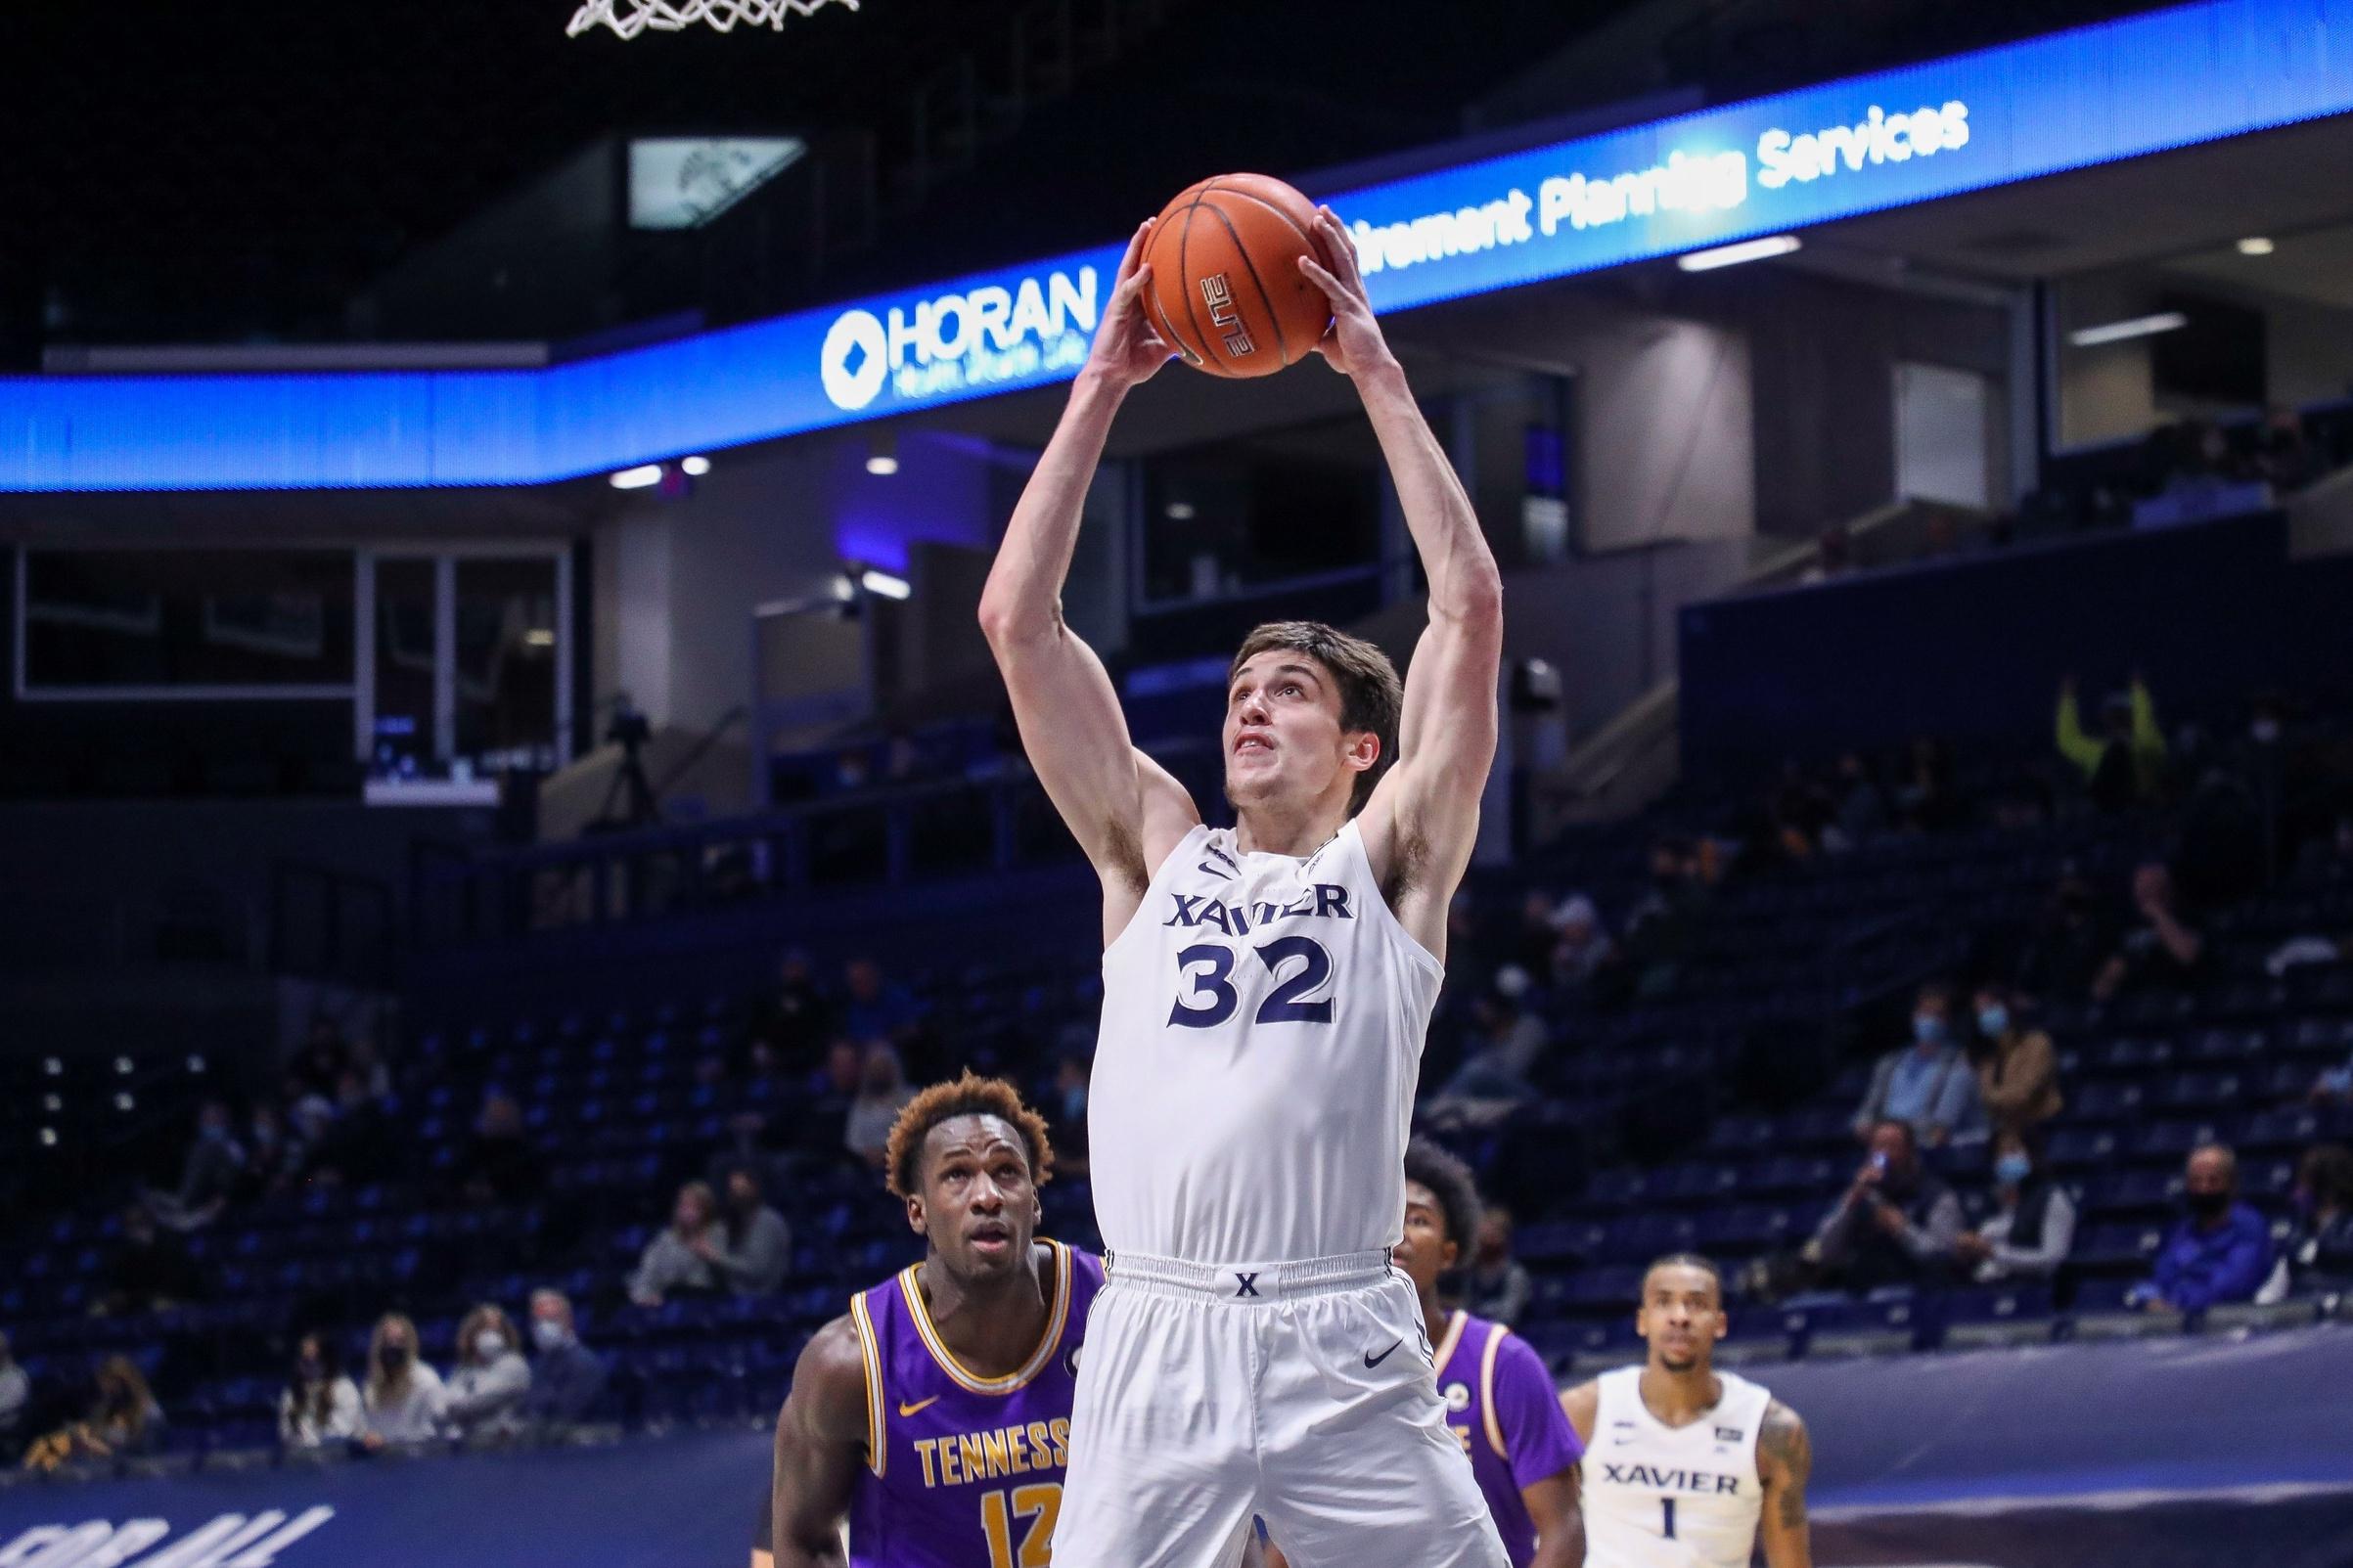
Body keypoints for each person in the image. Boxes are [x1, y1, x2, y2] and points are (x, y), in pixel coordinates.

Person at [978, 205, 1508, 1568]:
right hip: (1159, 1326)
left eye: (1291, 691)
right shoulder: (1152, 844)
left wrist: (1372, 368)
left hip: (1343, 1330)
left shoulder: (1390, 862)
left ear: (1363, 747)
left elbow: (1468, 611)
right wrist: (1101, 383)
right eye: (1237, 691)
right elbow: (1017, 625)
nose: (1251, 710)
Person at [764, 1073, 1103, 1568]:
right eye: (957, 1175)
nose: (987, 1195)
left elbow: (1201, 1490)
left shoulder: (1115, 1313)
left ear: (1034, 1199)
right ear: (917, 1212)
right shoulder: (852, 1365)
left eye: (1007, 1171)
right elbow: (804, 1540)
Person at [1341, 1142, 1582, 1568]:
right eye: (1387, 1218)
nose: (1399, 1233)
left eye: (1418, 1219)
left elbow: (1563, 1532)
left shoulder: (1502, 1362)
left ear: (1450, 1253)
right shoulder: (1332, 1364)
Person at [1560, 1256, 1813, 1568]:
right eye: (1664, 1302)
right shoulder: (1583, 1412)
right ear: (1642, 1320)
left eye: (1696, 1304)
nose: (1679, 1317)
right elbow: (1551, 1535)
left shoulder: (1772, 1429)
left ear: (1720, 1323)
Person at [1805, 1121, 1963, 1293]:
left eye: (1892, 1147)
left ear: (1909, 1153)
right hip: (1862, 1294)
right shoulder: (1862, 1194)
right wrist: (1848, 1206)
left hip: (1918, 1292)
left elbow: (1944, 1257)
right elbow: (1823, 1251)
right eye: (1878, 1147)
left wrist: (1903, 1229)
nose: (1883, 1156)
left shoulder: (1938, 1195)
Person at [2129, 1143, 2272, 1314]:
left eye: (2213, 1180)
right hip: (2176, 1327)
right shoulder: (2181, 1231)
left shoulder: (2249, 1227)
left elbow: (2232, 1286)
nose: (2203, 1188)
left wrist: (2177, 1304)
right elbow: (2160, 1277)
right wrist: (2150, 1298)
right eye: (2196, 1180)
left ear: (2232, 1185)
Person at [1850, 984, 1981, 1147]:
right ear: (1914, 1016)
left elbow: (1941, 1128)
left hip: (1925, 1149)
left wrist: (1901, 1134)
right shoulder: (1890, 1062)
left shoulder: (1959, 1064)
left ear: (1949, 1021)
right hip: (1887, 1145)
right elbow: (1868, 1111)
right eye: (1925, 1012)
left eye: (1938, 1015)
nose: (1929, 1020)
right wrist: (1865, 1124)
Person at [1953, 1130, 2076, 1284]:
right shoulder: (1990, 1202)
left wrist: (1993, 1253)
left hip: (2027, 1289)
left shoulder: (2051, 1198)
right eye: (1999, 1153)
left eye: (2012, 1150)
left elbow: (2051, 1259)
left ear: (2031, 1154)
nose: (2005, 1158)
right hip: (1984, 1286)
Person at [22, 1356, 164, 1472]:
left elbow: (146, 1452)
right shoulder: (106, 1407)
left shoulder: (150, 1412)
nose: (107, 1391)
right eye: (104, 1386)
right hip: (100, 1469)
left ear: (125, 1383)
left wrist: (104, 1442)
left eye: (112, 1385)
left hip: (137, 1472)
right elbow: (92, 1432)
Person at [2092, 863, 2205, 1002]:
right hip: (2139, 1003)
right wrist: (2106, 983)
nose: (2141, 893)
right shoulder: (2132, 927)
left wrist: (2157, 913)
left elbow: (2188, 955)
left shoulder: (2186, 916)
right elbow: (2113, 971)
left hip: (2180, 997)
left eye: (2148, 887)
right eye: (2138, 887)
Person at [2056, 674, 2164, 814]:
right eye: (2114, 713)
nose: (2118, 718)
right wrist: (2067, 697)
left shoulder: (2147, 745)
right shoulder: (2147, 744)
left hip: (2142, 814)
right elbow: (2068, 740)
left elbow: (2067, 739)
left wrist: (2067, 697)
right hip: (2109, 818)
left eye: (2122, 713)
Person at [1969, 984, 2061, 1141]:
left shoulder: (2037, 1043)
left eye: (1990, 1006)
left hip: (2042, 1127)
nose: (1985, 1014)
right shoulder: (1987, 1058)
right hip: (2006, 1133)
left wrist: (1991, 1097)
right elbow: (1987, 1106)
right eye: (1980, 1011)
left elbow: (2024, 1094)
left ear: (2006, 1007)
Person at [94, 1202, 204, 1317]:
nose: (134, 1231)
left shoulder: (173, 1251)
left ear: (150, 1224)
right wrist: (112, 1302)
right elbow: (122, 1291)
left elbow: (190, 1291)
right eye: (129, 1226)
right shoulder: (124, 1257)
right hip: (138, 1313)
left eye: (140, 1223)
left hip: (178, 1312)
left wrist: (173, 1303)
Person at [629, 1181, 727, 1307]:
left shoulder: (718, 1235)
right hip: (667, 1300)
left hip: (703, 1301)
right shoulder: (665, 1240)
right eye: (683, 1205)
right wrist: (646, 1295)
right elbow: (647, 1273)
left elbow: (727, 1279)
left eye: (694, 1206)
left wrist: (712, 1257)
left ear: (706, 1210)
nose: (687, 1212)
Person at [520, 1289, 608, 1428]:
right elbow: (529, 1408)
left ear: (568, 1320)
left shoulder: (584, 1364)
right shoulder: (538, 1365)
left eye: (551, 1319)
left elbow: (567, 1415)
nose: (544, 1327)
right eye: (538, 1321)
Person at [359, 1312, 447, 1448]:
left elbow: (434, 1431)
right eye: (388, 1342)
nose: (393, 1347)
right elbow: (366, 1427)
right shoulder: (372, 1383)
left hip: (417, 1459)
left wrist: (390, 1441)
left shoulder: (426, 1379)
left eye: (399, 1341)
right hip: (380, 1462)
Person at [445, 1304, 532, 1440]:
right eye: (484, 1330)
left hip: (505, 1442)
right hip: (472, 1442)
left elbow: (480, 1399)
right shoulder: (463, 1368)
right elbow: (448, 1402)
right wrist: (455, 1405)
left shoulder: (514, 1364)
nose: (490, 1336)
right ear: (472, 1334)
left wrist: (458, 1405)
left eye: (496, 1331)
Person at [2278, 1144, 2353, 1296]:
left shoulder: (2349, 1230)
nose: (2297, 1193)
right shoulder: (2300, 1231)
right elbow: (2276, 1287)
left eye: (2304, 1184)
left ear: (2327, 1188)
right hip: (2300, 1313)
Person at [714, 1166, 793, 1299]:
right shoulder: (732, 1222)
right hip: (734, 1296)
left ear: (754, 1188)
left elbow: (756, 1270)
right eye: (733, 1191)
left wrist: (715, 1256)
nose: (737, 1195)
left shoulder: (767, 1220)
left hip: (765, 1296)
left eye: (741, 1190)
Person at [278, 1332, 362, 1449]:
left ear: (326, 1360)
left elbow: (343, 1432)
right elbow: (286, 1435)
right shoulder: (291, 1394)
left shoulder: (344, 1388)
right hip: (303, 1460)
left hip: (340, 1460)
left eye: (316, 1360)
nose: (310, 1366)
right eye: (305, 1361)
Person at [843, 1050, 916, 1171]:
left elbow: (917, 1134)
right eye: (874, 1067)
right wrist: (867, 1153)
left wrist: (886, 1150)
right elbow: (853, 1139)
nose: (878, 1071)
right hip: (866, 1167)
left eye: (883, 1066)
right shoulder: (860, 1103)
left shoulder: (911, 1097)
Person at [1464, 1207, 1535, 1327]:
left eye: (1491, 1235)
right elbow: (1465, 1310)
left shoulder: (1515, 1275)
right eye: (1483, 1236)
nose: (1485, 1241)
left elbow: (1509, 1316)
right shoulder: (1473, 1275)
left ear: (1504, 1238)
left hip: (1512, 1339)